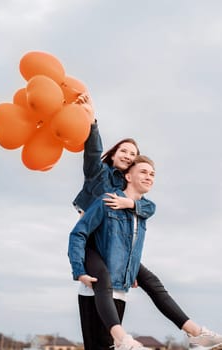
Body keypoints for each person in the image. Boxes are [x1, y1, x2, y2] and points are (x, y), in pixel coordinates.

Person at [71, 95, 222, 350]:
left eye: (133, 154)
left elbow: (148, 205)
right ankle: (121, 339)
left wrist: (131, 205)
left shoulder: (124, 185)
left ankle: (194, 332)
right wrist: (92, 120)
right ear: (114, 153)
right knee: (104, 279)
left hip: (115, 246)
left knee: (151, 281)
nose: (129, 156)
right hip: (94, 244)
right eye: (124, 151)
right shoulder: (98, 174)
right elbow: (94, 150)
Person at [69, 155, 156, 350]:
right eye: (143, 172)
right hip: (95, 290)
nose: (149, 177)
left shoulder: (141, 213)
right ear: (128, 176)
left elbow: (130, 250)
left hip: (120, 292)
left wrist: (131, 271)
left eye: (152, 174)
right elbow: (77, 235)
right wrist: (79, 271)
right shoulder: (107, 201)